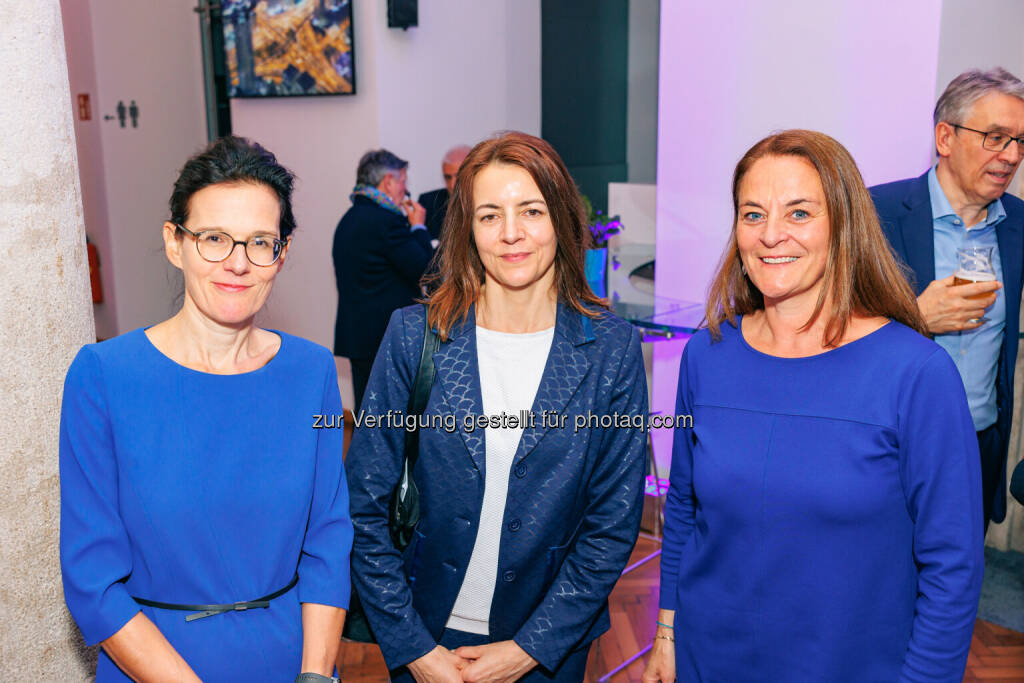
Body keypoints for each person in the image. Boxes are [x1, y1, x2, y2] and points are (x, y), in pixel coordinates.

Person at [643, 130, 984, 683]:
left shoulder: (916, 372)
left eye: (799, 213)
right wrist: (667, 633)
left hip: (852, 665)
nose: (771, 234)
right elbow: (682, 506)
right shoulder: (708, 353)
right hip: (710, 658)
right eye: (753, 214)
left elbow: (953, 565)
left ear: (843, 226)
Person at [346, 131, 648, 682]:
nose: (511, 233)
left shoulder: (611, 349)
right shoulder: (415, 336)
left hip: (545, 646)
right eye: (489, 216)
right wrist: (412, 646)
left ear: (560, 217)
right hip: (425, 633)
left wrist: (528, 650)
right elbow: (364, 507)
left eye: (530, 210)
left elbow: (612, 523)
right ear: (467, 229)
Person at [60, 136, 352, 682]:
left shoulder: (311, 373)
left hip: (296, 663)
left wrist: (315, 676)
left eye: (261, 242)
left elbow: (327, 544)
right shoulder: (104, 376)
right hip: (156, 666)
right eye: (214, 238)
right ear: (175, 242)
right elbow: (92, 580)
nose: (238, 263)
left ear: (281, 254)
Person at [871, 67, 1024, 532]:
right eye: (996, 137)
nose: (1012, 156)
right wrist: (915, 316)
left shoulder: (1018, 223)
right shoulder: (875, 213)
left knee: (955, 588)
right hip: (889, 444)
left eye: (1020, 142)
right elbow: (825, 331)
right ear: (945, 137)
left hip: (977, 446)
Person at [333, 149, 434, 411]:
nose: (406, 189)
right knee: (392, 420)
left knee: (367, 417)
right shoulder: (386, 222)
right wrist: (419, 227)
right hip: (383, 338)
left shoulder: (349, 218)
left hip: (359, 337)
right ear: (388, 182)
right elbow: (426, 269)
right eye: (403, 181)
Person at [419, 144, 471, 240]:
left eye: (458, 176)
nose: (452, 184)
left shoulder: (488, 201)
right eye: (448, 177)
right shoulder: (429, 202)